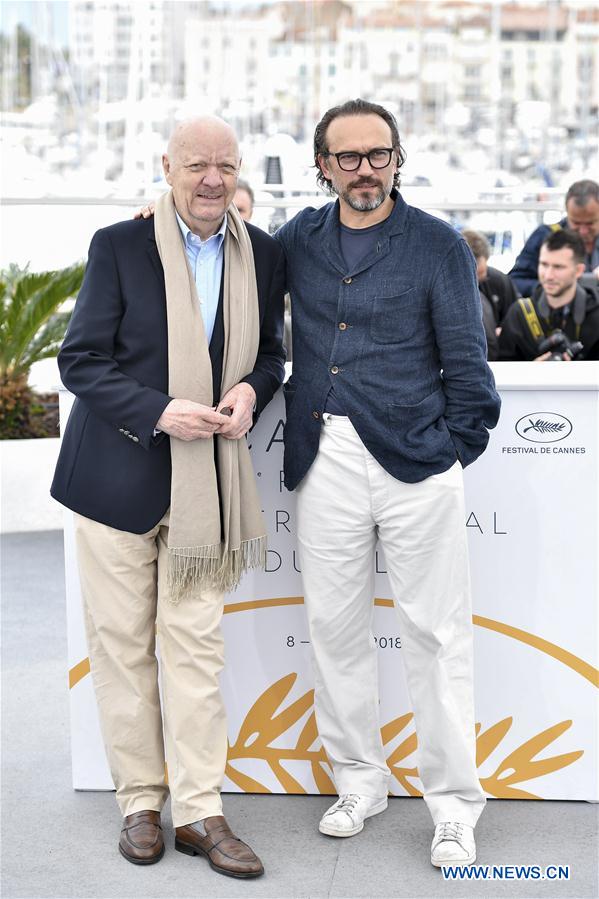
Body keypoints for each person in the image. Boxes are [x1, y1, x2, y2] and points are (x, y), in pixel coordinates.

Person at [51, 116, 285, 878]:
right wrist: (157, 409)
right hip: (114, 482)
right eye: (195, 165)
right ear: (167, 169)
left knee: (194, 653)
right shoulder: (119, 246)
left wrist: (252, 388)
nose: (211, 178)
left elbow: (273, 354)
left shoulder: (266, 255)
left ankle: (201, 809)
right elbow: (80, 361)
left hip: (206, 497)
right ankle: (140, 803)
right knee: (121, 649)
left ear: (238, 170)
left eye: (224, 164)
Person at [275, 99, 501, 868]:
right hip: (324, 457)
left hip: (417, 459)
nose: (365, 169)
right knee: (334, 630)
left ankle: (453, 805)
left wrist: (448, 451)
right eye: (348, 157)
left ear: (398, 158)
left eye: (379, 154)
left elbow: (468, 367)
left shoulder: (436, 244)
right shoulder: (296, 241)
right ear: (322, 166)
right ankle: (359, 780)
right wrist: (158, 216)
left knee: (436, 636)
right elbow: (226, 257)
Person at [498, 228, 599, 361]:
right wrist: (531, 373)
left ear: (579, 270)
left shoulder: (596, 315)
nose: (548, 275)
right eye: (544, 265)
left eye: (558, 267)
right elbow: (502, 373)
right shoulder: (518, 314)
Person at [510, 179, 599, 296]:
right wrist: (551, 287)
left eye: (590, 223)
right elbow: (515, 282)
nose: (583, 231)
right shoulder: (545, 236)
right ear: (567, 212)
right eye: (576, 223)